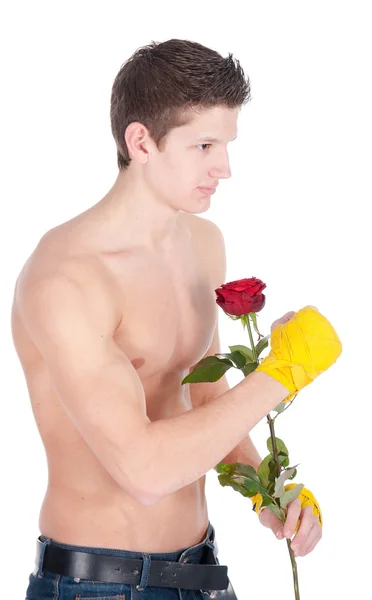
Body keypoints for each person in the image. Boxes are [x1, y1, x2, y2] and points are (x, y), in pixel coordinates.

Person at [12, 39, 337, 600]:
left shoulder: (203, 243)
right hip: (98, 584)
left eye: (227, 145)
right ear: (140, 141)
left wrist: (267, 491)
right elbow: (142, 472)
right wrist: (282, 373)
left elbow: (205, 395)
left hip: (203, 570)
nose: (225, 168)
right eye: (204, 145)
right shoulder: (66, 278)